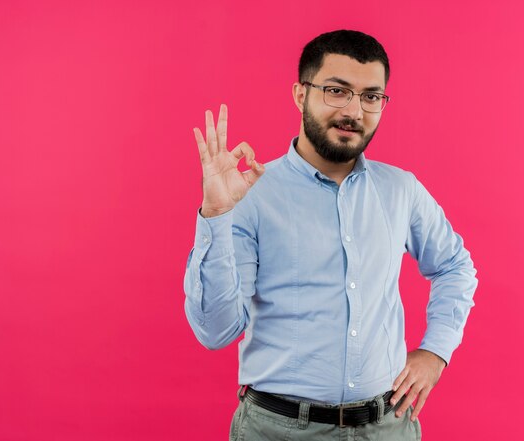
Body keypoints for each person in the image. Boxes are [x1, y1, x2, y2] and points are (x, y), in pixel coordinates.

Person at [184, 30, 477, 440]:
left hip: (386, 426)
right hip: (277, 429)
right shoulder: (250, 194)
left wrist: (436, 351)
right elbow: (216, 330)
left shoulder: (400, 189)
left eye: (371, 96)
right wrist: (215, 214)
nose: (354, 111)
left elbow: (454, 266)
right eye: (337, 91)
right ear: (300, 95)